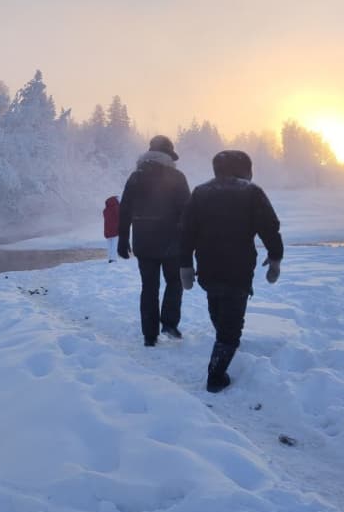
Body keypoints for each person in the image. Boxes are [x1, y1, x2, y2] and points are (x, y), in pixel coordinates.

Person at [178, 150, 283, 393]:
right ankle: (216, 375)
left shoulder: (201, 193)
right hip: (239, 267)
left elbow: (186, 231)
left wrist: (185, 264)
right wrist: (275, 256)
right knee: (231, 324)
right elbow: (269, 227)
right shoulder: (251, 192)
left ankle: (223, 339)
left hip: (208, 266)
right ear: (245, 169)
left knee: (216, 305)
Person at [117, 135, 191, 346]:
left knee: (149, 287)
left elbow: (125, 210)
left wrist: (123, 238)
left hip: (144, 242)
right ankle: (169, 323)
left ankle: (149, 336)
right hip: (172, 243)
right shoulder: (176, 177)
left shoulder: (135, 177)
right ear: (168, 154)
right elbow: (188, 211)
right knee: (174, 282)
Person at [103, 195, 120, 262]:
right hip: (115, 230)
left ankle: (110, 258)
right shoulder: (117, 208)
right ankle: (113, 259)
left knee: (109, 245)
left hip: (107, 230)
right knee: (114, 245)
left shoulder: (105, 210)